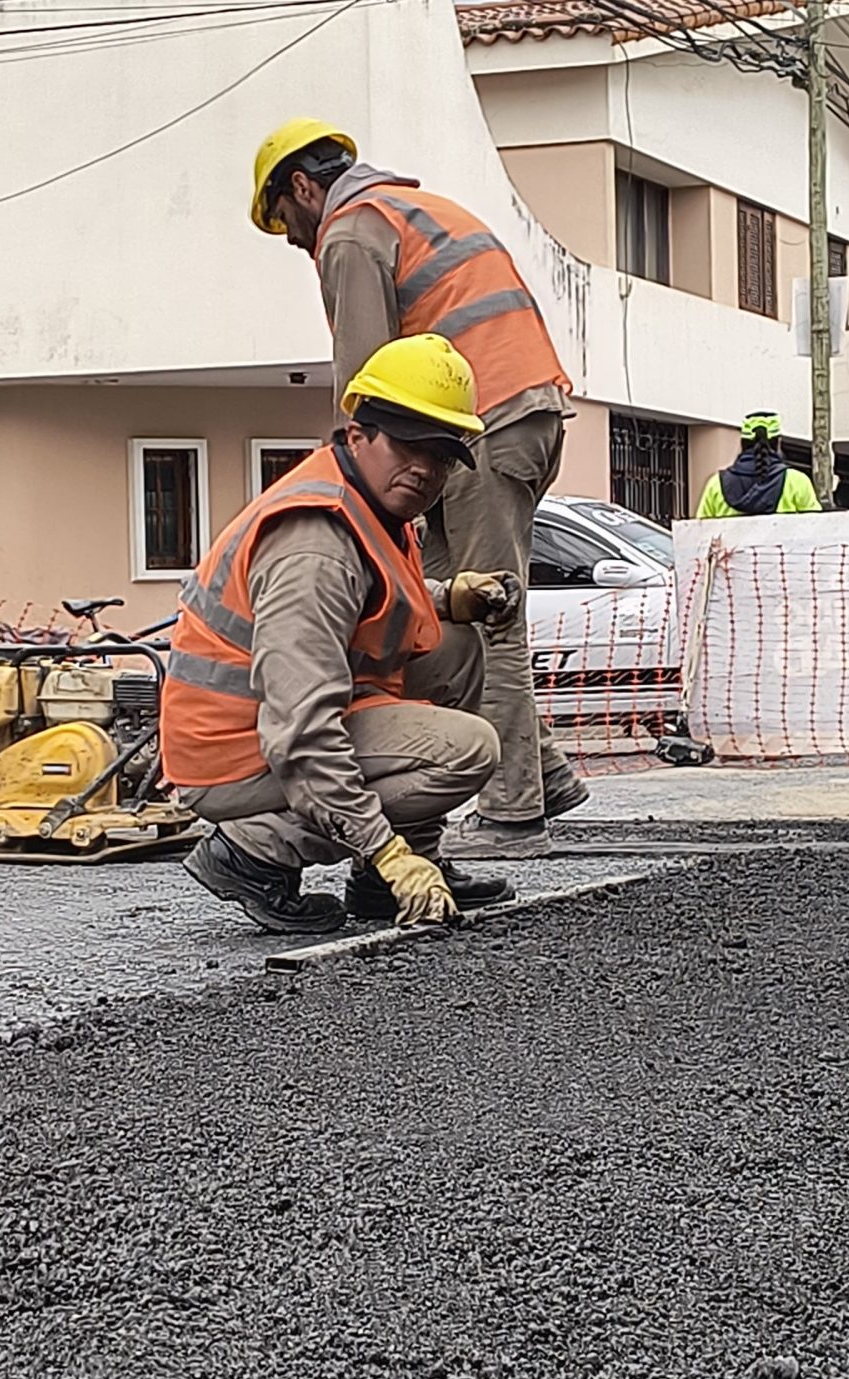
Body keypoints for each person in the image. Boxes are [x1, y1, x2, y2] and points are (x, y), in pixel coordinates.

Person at [249, 118, 590, 861]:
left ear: (303, 188)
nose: (292, 240)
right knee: (436, 608)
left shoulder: (350, 229)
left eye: (284, 222)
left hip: (478, 429)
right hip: (512, 416)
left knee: (487, 616)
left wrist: (347, 480)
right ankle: (545, 775)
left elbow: (369, 382)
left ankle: (512, 815)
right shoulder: (414, 208)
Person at [162, 335, 524, 935]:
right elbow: (301, 731)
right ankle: (255, 853)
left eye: (441, 454)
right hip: (238, 753)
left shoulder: (372, 502)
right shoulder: (316, 545)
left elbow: (360, 611)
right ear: (359, 435)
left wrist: (449, 598)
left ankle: (392, 873)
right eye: (410, 445)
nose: (425, 469)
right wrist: (386, 850)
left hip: (272, 724)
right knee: (467, 751)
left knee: (453, 642)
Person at [696, 412, 822, 517]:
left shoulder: (716, 485)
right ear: (778, 443)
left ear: (742, 443)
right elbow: (817, 530)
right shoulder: (797, 482)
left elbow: (699, 535)